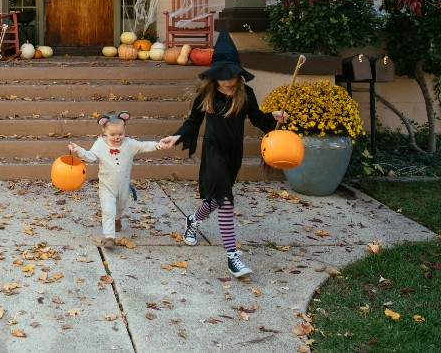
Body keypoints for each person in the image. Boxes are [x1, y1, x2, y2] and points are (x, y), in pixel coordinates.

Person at [160, 31, 287, 278]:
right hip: (213, 151)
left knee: (216, 200)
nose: (228, 80)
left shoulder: (246, 93)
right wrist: (176, 136)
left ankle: (192, 221)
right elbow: (193, 122)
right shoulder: (206, 94)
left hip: (233, 153)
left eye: (232, 75)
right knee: (226, 201)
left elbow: (258, 119)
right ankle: (232, 257)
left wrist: (273, 117)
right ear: (214, 76)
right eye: (222, 76)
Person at [68, 111, 175, 249]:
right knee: (108, 210)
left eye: (120, 134)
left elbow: (143, 146)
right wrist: (79, 150)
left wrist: (157, 145)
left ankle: (117, 219)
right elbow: (91, 156)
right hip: (106, 185)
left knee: (120, 206)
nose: (117, 137)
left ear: (125, 130)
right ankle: (109, 237)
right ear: (104, 131)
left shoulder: (129, 144)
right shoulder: (100, 144)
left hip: (123, 185)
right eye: (112, 134)